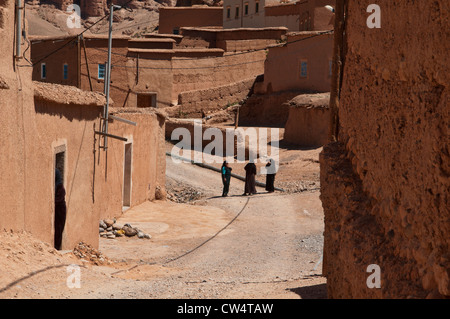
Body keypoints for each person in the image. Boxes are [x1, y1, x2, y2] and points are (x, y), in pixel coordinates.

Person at [54, 168, 67, 250]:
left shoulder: (60, 188)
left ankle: (57, 247)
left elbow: (59, 200)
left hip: (60, 212)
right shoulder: (55, 186)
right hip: (56, 211)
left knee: (58, 230)